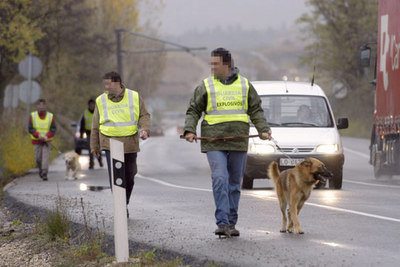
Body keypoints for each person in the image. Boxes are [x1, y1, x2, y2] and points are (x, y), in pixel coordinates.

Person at [183, 48, 272, 237]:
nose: (212, 67)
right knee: (220, 178)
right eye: (211, 64)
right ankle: (222, 222)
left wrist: (263, 129)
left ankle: (231, 222)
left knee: (233, 183)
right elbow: (193, 110)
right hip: (214, 141)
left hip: (238, 140)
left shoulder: (245, 85)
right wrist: (190, 129)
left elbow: (255, 110)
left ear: (227, 65)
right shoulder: (205, 86)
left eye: (215, 64)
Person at [90, 71, 150, 217]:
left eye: (108, 83)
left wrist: (145, 129)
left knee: (129, 177)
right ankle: (120, 206)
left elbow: (144, 115)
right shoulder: (101, 100)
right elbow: (95, 125)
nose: (105, 86)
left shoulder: (134, 96)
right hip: (109, 143)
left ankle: (124, 203)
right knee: (116, 177)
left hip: (130, 143)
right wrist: (94, 146)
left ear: (117, 82)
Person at [28, 99, 56, 181]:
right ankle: (40, 170)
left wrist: (47, 136)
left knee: (45, 157)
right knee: (38, 159)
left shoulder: (50, 116)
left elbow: (53, 129)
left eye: (43, 105)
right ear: (37, 106)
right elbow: (30, 128)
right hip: (37, 141)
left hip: (47, 141)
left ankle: (44, 173)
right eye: (39, 105)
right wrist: (38, 135)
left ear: (45, 106)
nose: (41, 107)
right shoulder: (32, 116)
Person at [79, 99, 103, 169]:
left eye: (93, 104)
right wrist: (81, 134)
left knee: (97, 148)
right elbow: (82, 124)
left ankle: (99, 160)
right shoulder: (85, 113)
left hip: (97, 133)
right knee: (90, 149)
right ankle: (91, 164)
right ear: (89, 105)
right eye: (90, 104)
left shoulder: (98, 112)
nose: (92, 106)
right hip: (89, 133)